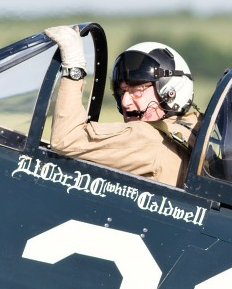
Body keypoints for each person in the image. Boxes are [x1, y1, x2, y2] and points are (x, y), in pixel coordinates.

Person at [44, 25, 201, 187]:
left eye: (137, 90)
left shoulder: (147, 139)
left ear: (170, 91)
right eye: (121, 92)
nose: (125, 102)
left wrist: (73, 66)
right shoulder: (193, 128)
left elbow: (66, 139)